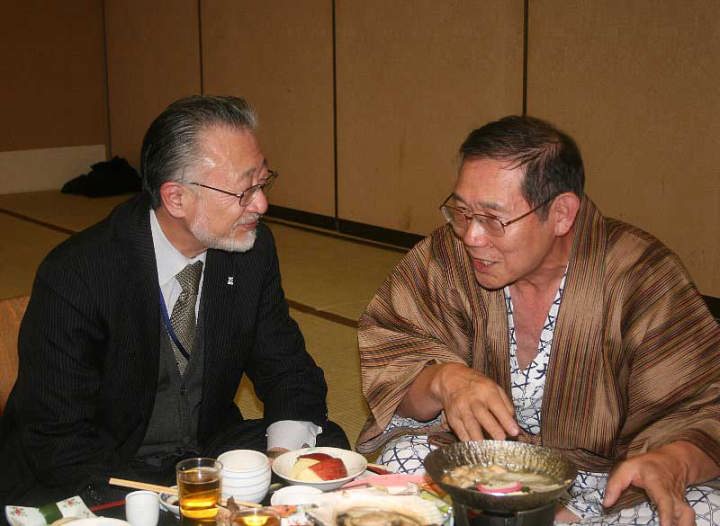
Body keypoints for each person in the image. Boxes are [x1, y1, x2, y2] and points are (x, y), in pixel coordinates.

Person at [356, 116, 720, 525]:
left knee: (706, 511)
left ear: (561, 213)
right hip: (479, 469)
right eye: (462, 211)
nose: (472, 236)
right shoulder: (445, 258)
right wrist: (444, 380)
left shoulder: (639, 275)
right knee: (399, 467)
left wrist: (671, 463)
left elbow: (704, 406)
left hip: (606, 485)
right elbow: (395, 364)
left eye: (493, 218)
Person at [0, 95, 349, 508]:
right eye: (244, 190)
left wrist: (279, 462)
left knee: (326, 449)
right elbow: (56, 436)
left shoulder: (250, 249)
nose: (261, 204)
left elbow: (288, 369)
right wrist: (162, 502)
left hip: (203, 451)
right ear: (176, 198)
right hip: (104, 464)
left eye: (262, 181)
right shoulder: (77, 273)